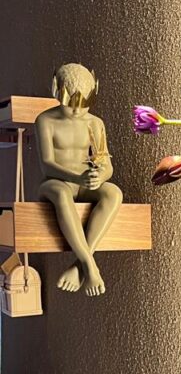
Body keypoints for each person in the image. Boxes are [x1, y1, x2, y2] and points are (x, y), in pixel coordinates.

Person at [36, 64, 122, 296]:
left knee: (113, 192)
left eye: (83, 104)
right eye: (69, 103)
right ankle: (90, 267)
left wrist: (99, 176)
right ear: (56, 90)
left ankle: (79, 266)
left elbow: (106, 165)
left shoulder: (95, 123)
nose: (76, 110)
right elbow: (47, 164)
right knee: (62, 193)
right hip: (55, 183)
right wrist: (76, 177)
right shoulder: (45, 120)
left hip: (84, 184)